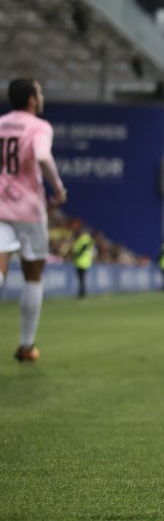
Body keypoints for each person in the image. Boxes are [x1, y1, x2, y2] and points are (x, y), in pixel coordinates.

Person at [0, 79, 66, 363]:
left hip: (0, 205)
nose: (41, 97)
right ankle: (27, 347)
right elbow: (41, 155)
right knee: (33, 276)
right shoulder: (39, 126)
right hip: (29, 210)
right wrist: (59, 188)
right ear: (31, 99)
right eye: (39, 93)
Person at [71, 227, 94, 298]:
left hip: (82, 261)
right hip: (82, 261)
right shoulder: (86, 239)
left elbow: (84, 247)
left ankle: (82, 293)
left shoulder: (84, 238)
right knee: (81, 278)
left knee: (81, 278)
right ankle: (82, 292)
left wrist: (78, 254)